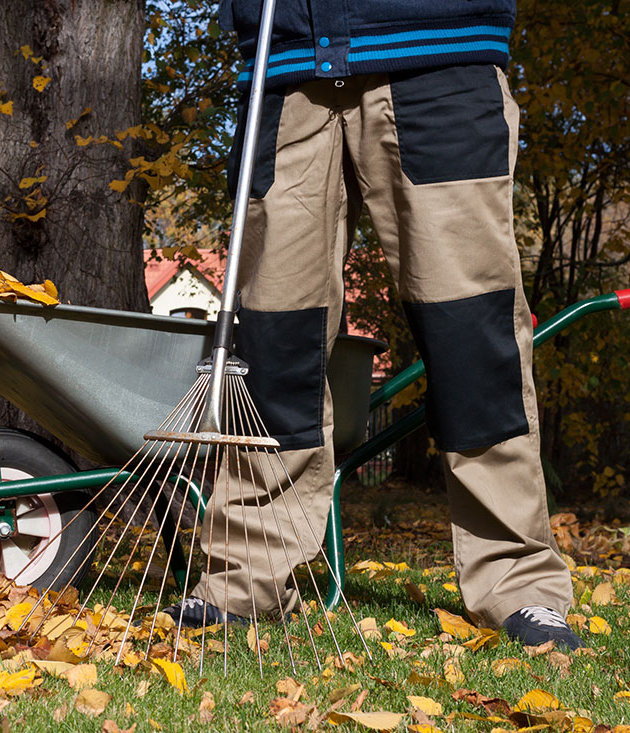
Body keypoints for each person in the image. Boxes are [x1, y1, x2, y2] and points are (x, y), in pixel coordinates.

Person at [164, 0, 583, 650]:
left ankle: (519, 579)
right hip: (286, 63)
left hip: (438, 47)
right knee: (275, 339)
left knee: (471, 335)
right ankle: (246, 576)